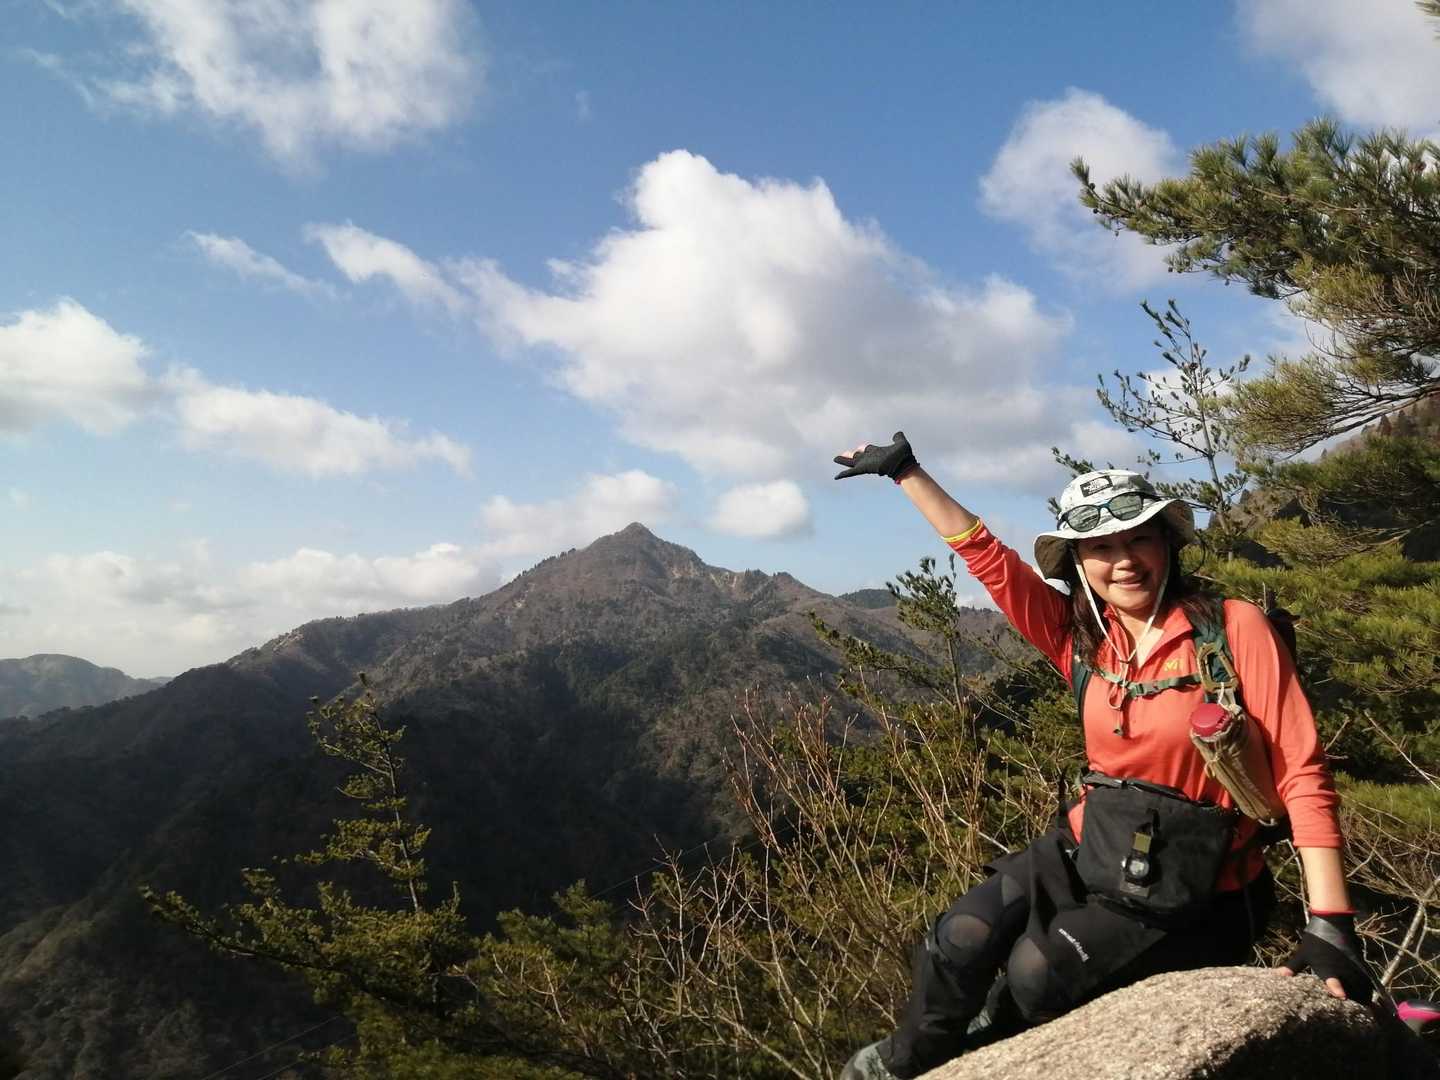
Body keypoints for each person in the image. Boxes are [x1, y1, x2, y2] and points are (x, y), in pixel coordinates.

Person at [833, 433, 1374, 1080]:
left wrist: (1331, 923)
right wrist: (906, 471)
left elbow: (1302, 770)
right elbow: (987, 557)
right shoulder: (1082, 640)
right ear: (1077, 562)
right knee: (961, 935)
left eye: (1139, 539)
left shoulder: (1232, 632)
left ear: (1168, 543)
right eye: (1101, 548)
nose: (1124, 562)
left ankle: (987, 1051)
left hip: (1198, 880)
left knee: (1037, 974)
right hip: (1094, 841)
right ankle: (907, 1063)